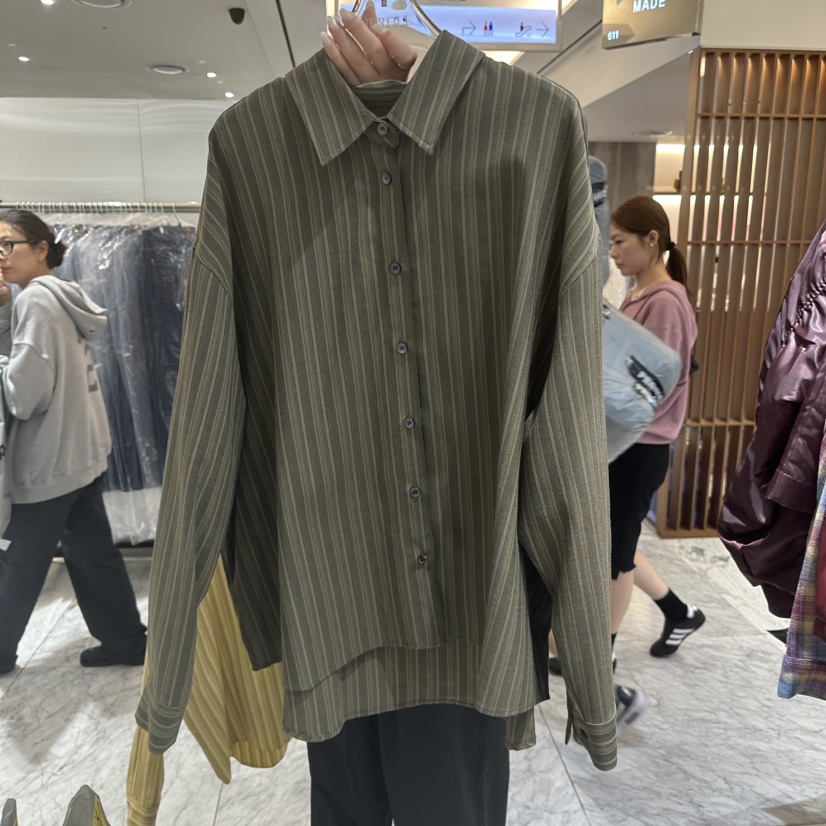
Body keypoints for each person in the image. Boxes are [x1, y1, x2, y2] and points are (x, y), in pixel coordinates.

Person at [550, 197, 703, 724]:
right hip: (621, 445)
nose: (612, 252)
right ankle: (679, 612)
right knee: (617, 540)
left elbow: (649, 389)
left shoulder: (667, 302)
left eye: (619, 241)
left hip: (641, 448)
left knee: (614, 554)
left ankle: (601, 665)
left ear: (651, 241)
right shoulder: (638, 294)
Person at [0, 210, 147, 676]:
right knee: (92, 554)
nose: (1, 256)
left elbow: (25, 395)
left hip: (48, 459)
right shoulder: (60, 295)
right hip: (80, 452)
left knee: (17, 563)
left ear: (41, 248)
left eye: (8, 244)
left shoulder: (35, 301)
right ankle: (127, 641)